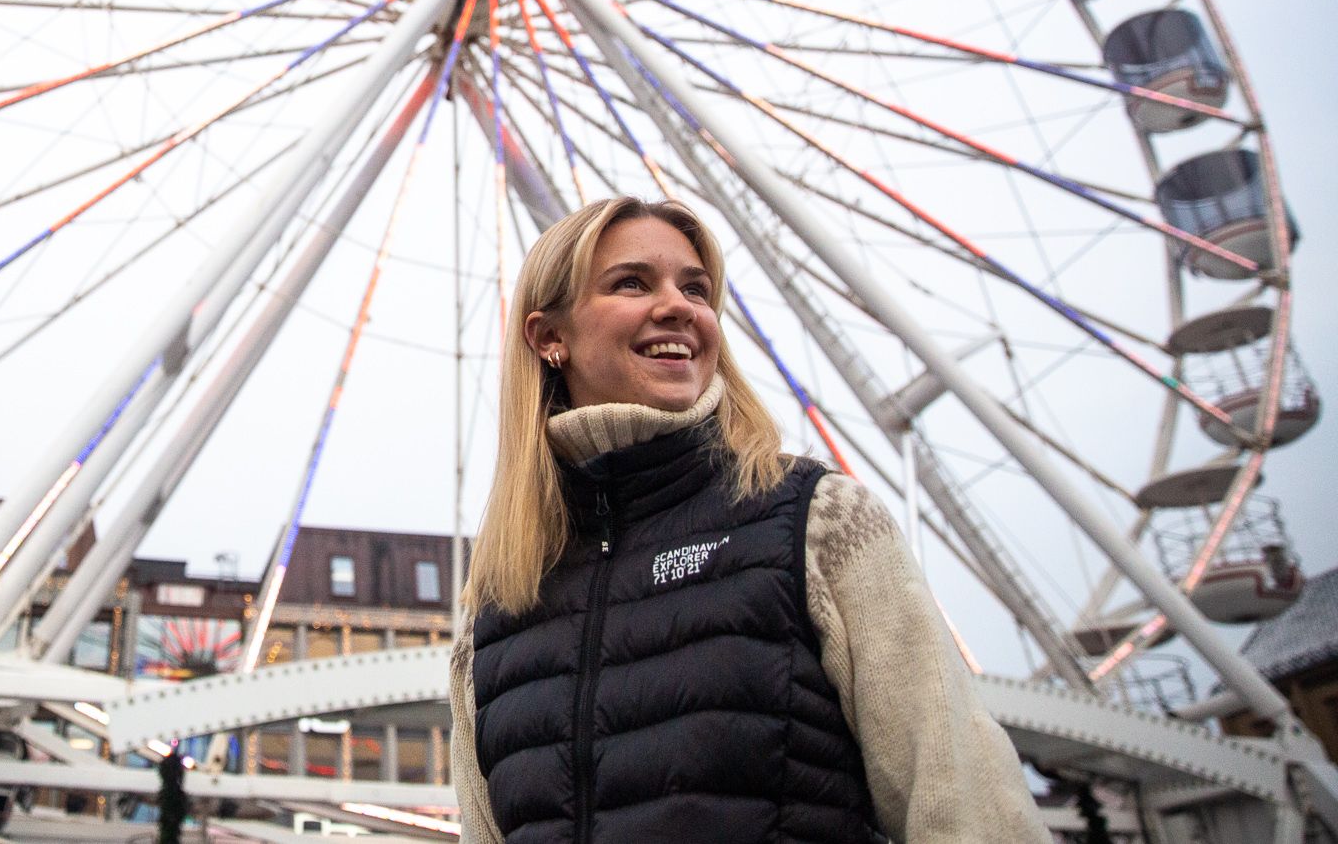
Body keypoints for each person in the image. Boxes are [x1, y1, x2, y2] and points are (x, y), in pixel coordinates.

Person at [448, 196, 1050, 843]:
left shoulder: (818, 522)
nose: (679, 306)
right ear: (549, 338)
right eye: (632, 283)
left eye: (696, 289)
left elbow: (967, 809)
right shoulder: (499, 609)